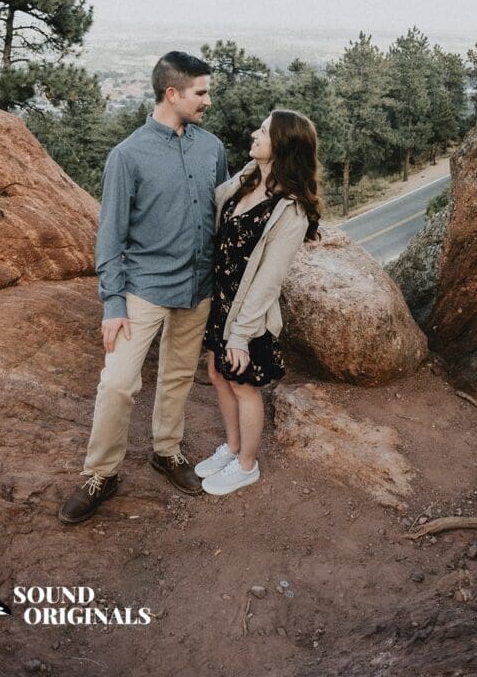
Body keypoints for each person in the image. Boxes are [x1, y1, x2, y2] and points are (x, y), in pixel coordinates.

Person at [59, 51, 229, 524]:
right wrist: (113, 304)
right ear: (171, 94)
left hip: (198, 288)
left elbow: (221, 215)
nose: (207, 101)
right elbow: (109, 238)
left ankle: (166, 451)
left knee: (177, 377)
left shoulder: (211, 148)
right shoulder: (127, 156)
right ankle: (101, 474)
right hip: (143, 291)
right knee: (117, 383)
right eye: (201, 92)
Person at [196, 109, 321, 496]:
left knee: (243, 385)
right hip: (221, 301)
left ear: (281, 146)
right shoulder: (246, 180)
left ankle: (247, 465)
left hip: (248, 313)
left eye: (263, 131)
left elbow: (268, 282)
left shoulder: (291, 209)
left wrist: (240, 335)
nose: (254, 133)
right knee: (218, 375)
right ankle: (232, 448)